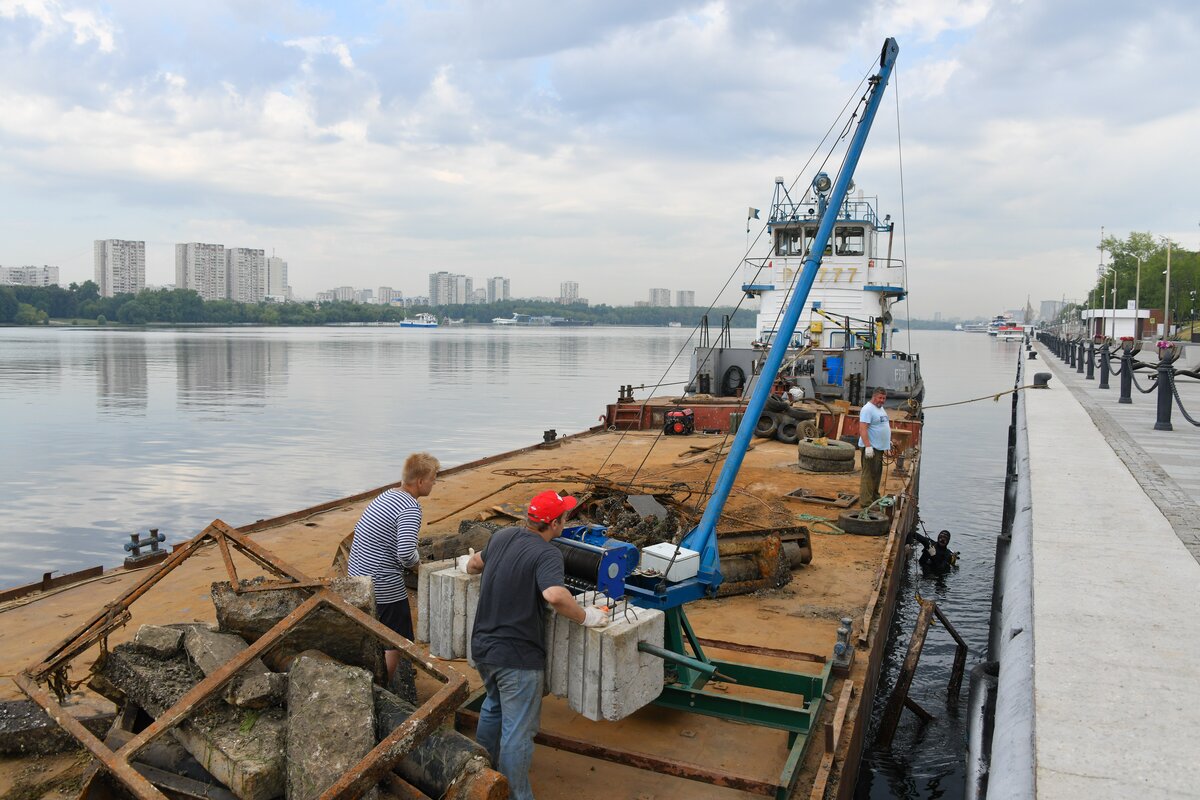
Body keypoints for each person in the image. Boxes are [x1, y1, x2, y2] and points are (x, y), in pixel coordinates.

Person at [464, 490, 607, 800]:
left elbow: (475, 564)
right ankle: (516, 795)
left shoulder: (503, 536)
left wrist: (466, 565)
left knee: (494, 706)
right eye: (564, 517)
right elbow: (555, 595)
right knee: (518, 733)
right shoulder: (547, 554)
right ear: (553, 524)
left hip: (484, 647)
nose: (567, 521)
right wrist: (587, 616)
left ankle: (480, 779)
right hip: (516, 657)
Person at [346, 451, 439, 683]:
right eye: (433, 478)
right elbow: (406, 552)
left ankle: (368, 675)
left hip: (357, 575)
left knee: (371, 631)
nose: (434, 482)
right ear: (419, 481)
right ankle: (382, 686)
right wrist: (419, 566)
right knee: (396, 640)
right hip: (382, 582)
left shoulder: (388, 495)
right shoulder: (410, 508)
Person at [858, 388, 892, 507]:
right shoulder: (867, 409)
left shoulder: (880, 408)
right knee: (868, 475)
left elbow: (881, 425)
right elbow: (863, 428)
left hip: (879, 448)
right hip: (871, 448)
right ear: (874, 397)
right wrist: (868, 447)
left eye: (884, 398)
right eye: (880, 398)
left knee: (876, 474)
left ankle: (874, 497)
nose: (882, 400)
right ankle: (866, 503)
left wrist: (888, 441)